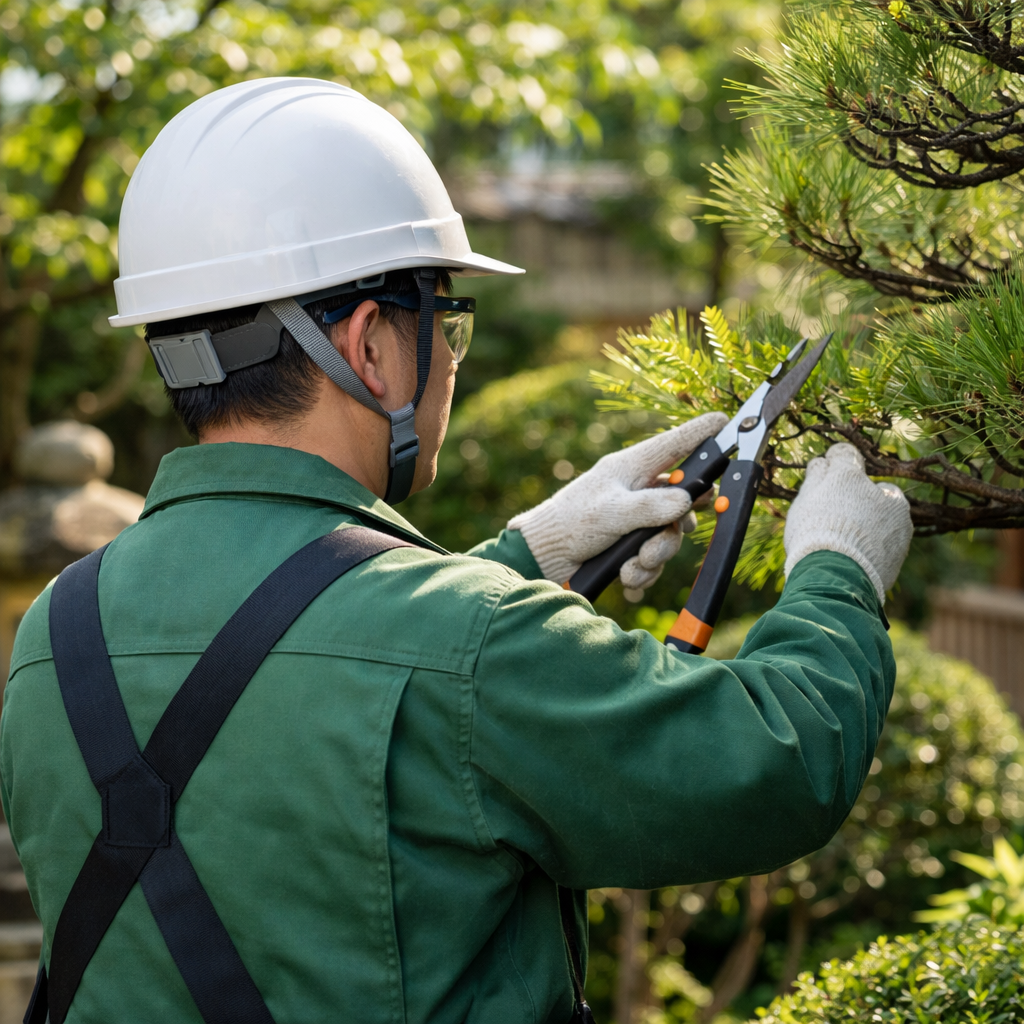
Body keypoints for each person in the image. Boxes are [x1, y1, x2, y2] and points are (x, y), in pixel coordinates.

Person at [1, 79, 913, 1024]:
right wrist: (839, 571)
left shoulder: (55, 633)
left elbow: (314, 663)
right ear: (370, 348)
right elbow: (770, 762)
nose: (450, 361)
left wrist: (531, 549)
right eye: (449, 325)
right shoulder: (470, 646)